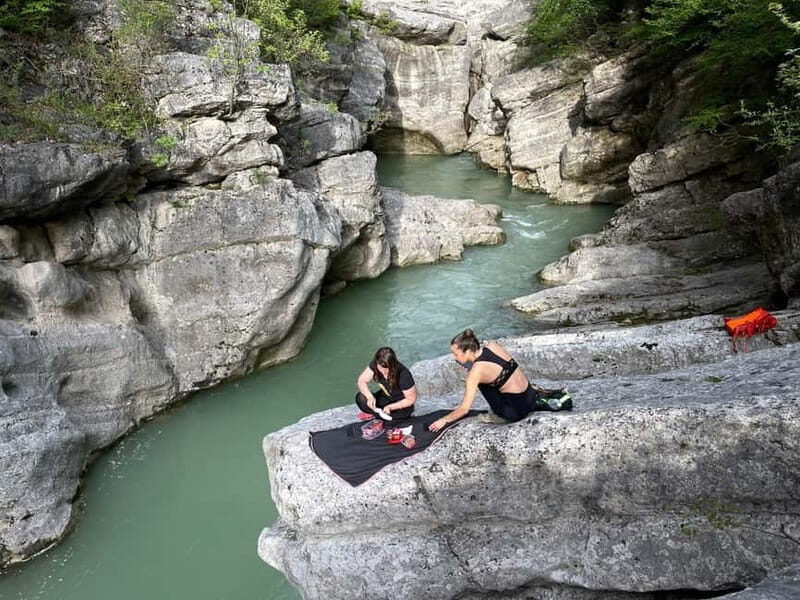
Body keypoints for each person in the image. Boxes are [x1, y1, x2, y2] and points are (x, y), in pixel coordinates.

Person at [429, 329, 571, 431]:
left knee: (480, 380)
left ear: (467, 351)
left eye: (455, 353)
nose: (454, 357)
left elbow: (464, 410)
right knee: (500, 376)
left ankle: (498, 415)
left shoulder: (476, 372)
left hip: (515, 412)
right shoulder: (493, 346)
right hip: (529, 396)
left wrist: (444, 420)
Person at [356, 347, 417, 421]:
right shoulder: (375, 364)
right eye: (381, 368)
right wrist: (369, 397)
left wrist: (390, 407)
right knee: (361, 398)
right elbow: (362, 380)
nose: (384, 373)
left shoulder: (404, 374)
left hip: (399, 401)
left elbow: (411, 400)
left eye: (387, 369)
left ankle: (377, 414)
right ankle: (377, 413)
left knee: (398, 416)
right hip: (386, 396)